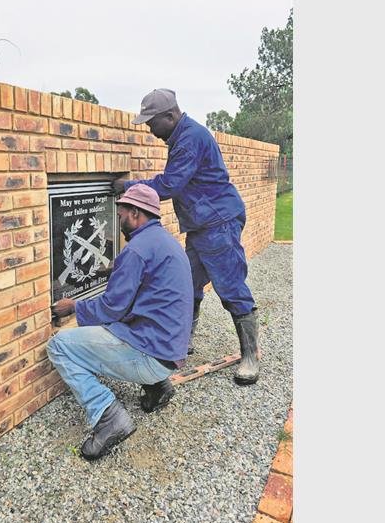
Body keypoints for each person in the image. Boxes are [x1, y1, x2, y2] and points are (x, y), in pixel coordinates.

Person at [112, 88, 260, 386]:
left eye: (153, 123)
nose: (151, 131)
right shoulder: (181, 136)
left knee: (230, 286)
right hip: (202, 224)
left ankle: (250, 357)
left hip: (218, 223)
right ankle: (181, 342)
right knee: (186, 284)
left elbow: (170, 185)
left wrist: (130, 186)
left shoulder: (189, 138)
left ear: (170, 115)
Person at [47, 184, 193, 461]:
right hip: (170, 351)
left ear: (136, 213)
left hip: (151, 355)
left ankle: (108, 415)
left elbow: (110, 309)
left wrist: (74, 306)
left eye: (122, 213)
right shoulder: (165, 242)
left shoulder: (136, 250)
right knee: (115, 329)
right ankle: (158, 387)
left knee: (59, 345)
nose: (119, 220)